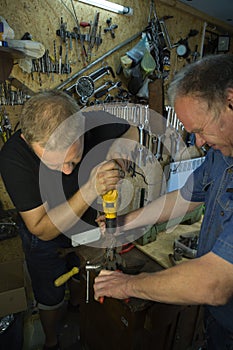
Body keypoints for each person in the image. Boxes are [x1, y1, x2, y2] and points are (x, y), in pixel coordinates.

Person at [94, 53, 233, 349]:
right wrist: (123, 223)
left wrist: (128, 285)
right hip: (218, 320)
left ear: (231, 102)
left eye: (199, 130)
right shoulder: (220, 155)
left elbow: (214, 284)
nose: (198, 143)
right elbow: (184, 198)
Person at [0, 90, 138, 350]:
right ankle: (52, 340)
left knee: (81, 276)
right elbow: (40, 228)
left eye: (74, 160)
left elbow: (131, 131)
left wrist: (116, 164)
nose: (67, 171)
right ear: (27, 140)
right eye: (56, 165)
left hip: (87, 226)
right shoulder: (12, 157)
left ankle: (78, 310)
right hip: (45, 237)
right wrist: (89, 189)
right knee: (50, 292)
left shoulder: (93, 122)